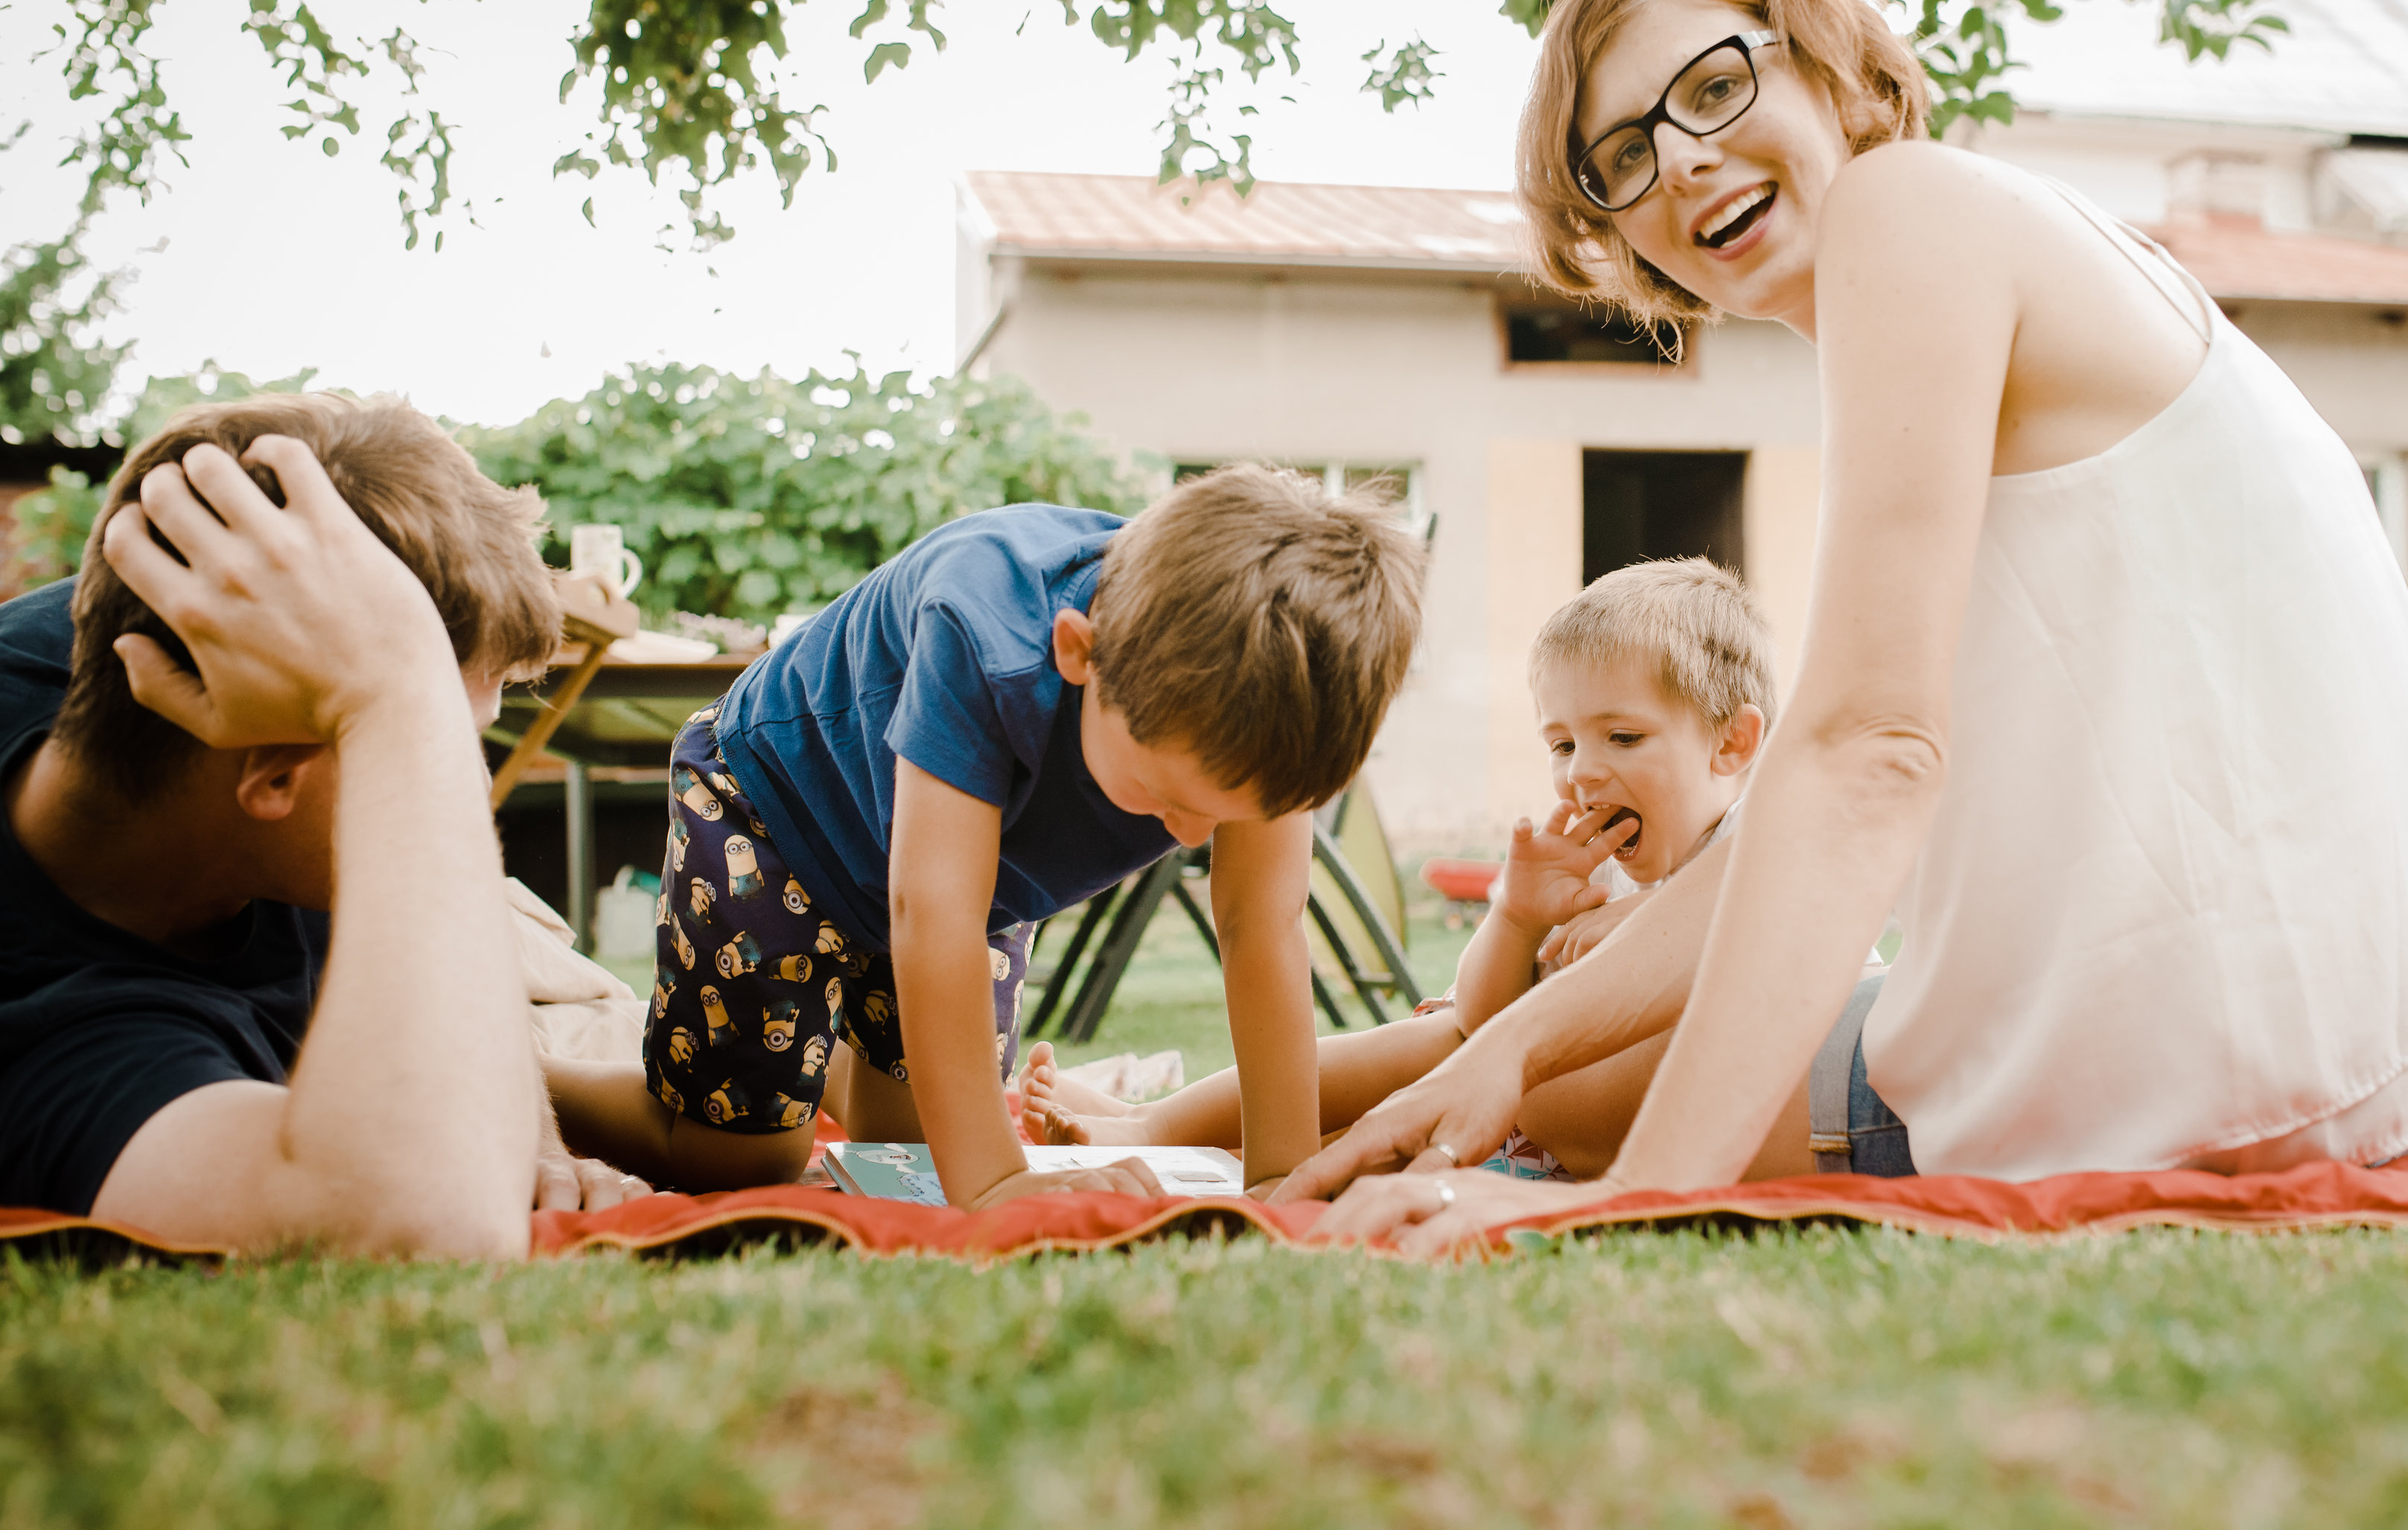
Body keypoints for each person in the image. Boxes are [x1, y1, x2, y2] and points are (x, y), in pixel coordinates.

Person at [1291, 0, 2408, 1250]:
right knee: (1529, 1051)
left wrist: (1627, 1200)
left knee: (1582, 1098)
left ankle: (1200, 1125)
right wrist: (1506, 1043)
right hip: (2342, 1064)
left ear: (1840, 69)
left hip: (2179, 1082)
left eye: (1712, 88)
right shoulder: (2030, 250)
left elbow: (1869, 754)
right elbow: (1811, 802)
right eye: (1625, 155)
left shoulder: (1910, 207)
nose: (1683, 158)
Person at [551, 465, 1428, 1208]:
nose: (1192, 833)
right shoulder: (986, 629)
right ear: (1079, 653)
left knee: (908, 1157)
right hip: (773, 815)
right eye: (1161, 794)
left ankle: (808, 1058)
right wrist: (999, 1189)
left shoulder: (1281, 703)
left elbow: (1260, 925)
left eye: (1226, 816)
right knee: (744, 1163)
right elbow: (930, 913)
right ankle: (529, 1074)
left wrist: (1283, 1176)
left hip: (973, 874)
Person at [0, 396, 643, 1254]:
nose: (457, 788)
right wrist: (393, 701)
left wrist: (522, 1117)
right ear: (274, 772)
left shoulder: (164, 622)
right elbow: (417, 1228)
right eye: (438, 746)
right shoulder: (60, 1036)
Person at [1017, 558, 1775, 1175]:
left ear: (1732, 745)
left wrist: (1643, 920)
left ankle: (1170, 1123)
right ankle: (1167, 1122)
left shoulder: (1771, 846)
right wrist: (1515, 916)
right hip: (1515, 1107)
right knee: (1439, 1038)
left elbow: (1774, 932)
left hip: (1611, 1111)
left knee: (1425, 1067)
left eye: (1623, 737)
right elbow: (1481, 1019)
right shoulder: (1596, 867)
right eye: (1564, 744)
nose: (1583, 772)